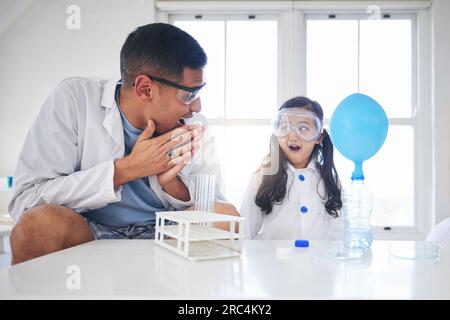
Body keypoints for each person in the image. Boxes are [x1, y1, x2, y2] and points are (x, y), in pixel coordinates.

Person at [9, 23, 238, 264]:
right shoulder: (75, 99)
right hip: (91, 231)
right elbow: (25, 203)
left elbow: (213, 203)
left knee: (225, 218)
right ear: (145, 88)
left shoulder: (193, 123)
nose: (197, 108)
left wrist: (173, 185)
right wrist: (127, 169)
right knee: (35, 227)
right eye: (189, 95)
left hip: (166, 232)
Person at [240, 96, 343, 240]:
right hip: (272, 262)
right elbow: (245, 234)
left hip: (318, 262)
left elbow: (338, 237)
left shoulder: (330, 181)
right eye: (285, 127)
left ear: (319, 137)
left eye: (303, 128)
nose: (293, 136)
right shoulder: (262, 177)